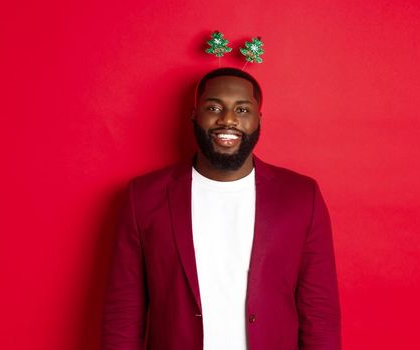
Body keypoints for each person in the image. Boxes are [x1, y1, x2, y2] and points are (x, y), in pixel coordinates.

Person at [102, 67, 340, 349]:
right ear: (194, 115)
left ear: (258, 119)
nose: (228, 119)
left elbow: (319, 311)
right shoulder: (143, 196)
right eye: (214, 107)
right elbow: (124, 311)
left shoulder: (301, 197)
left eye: (242, 110)